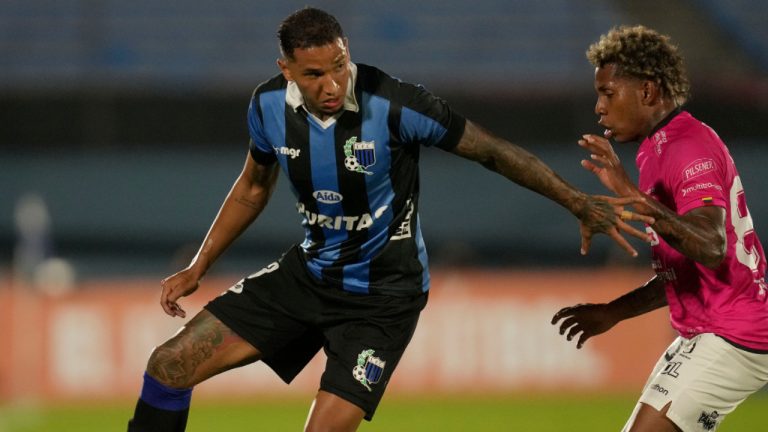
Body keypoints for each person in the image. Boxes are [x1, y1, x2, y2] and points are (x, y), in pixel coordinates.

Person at [127, 8, 652, 432]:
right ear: (286, 70)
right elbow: (253, 186)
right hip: (308, 277)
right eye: (314, 73)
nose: (332, 83)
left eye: (339, 64)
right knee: (167, 366)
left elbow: (493, 152)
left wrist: (576, 201)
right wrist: (199, 265)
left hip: (384, 299)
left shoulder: (396, 105)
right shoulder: (266, 106)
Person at [551, 25, 768, 432]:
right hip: (707, 332)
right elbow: (685, 270)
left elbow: (710, 244)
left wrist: (633, 195)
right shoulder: (657, 148)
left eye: (608, 93)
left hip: (732, 335)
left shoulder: (687, 147)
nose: (599, 107)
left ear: (648, 92)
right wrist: (613, 312)